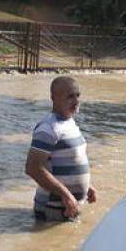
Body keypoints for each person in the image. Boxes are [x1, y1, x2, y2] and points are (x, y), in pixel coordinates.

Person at [25, 76, 97, 221]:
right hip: (52, 210)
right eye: (70, 96)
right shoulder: (48, 128)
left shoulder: (70, 123)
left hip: (68, 207)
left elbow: (69, 160)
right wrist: (66, 195)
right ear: (54, 98)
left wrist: (86, 186)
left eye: (78, 95)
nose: (76, 101)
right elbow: (33, 168)